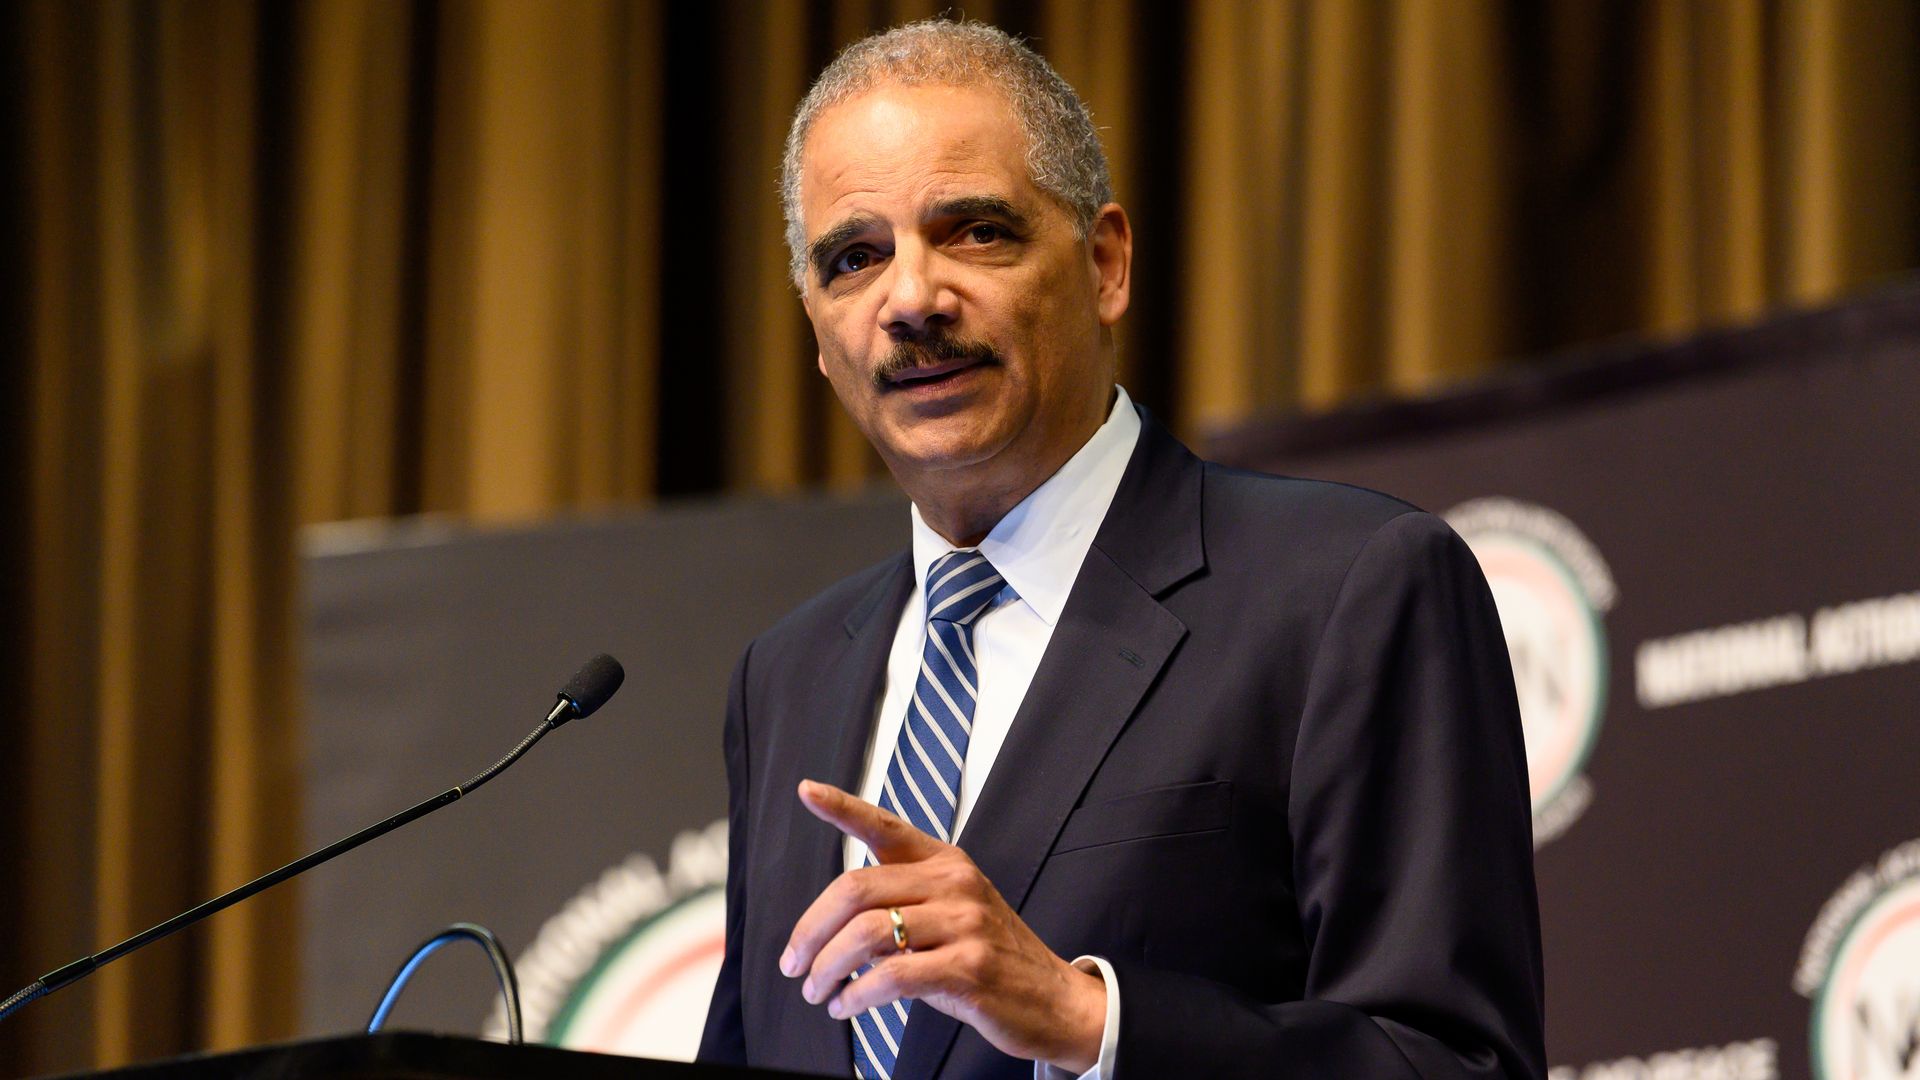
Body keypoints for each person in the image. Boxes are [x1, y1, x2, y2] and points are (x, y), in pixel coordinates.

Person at [697, 19, 1544, 1080]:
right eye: (855, 258)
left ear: (1104, 266)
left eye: (975, 232)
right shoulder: (786, 676)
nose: (910, 300)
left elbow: (1458, 1064)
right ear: (820, 335)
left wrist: (1091, 1022)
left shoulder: (1349, 589)